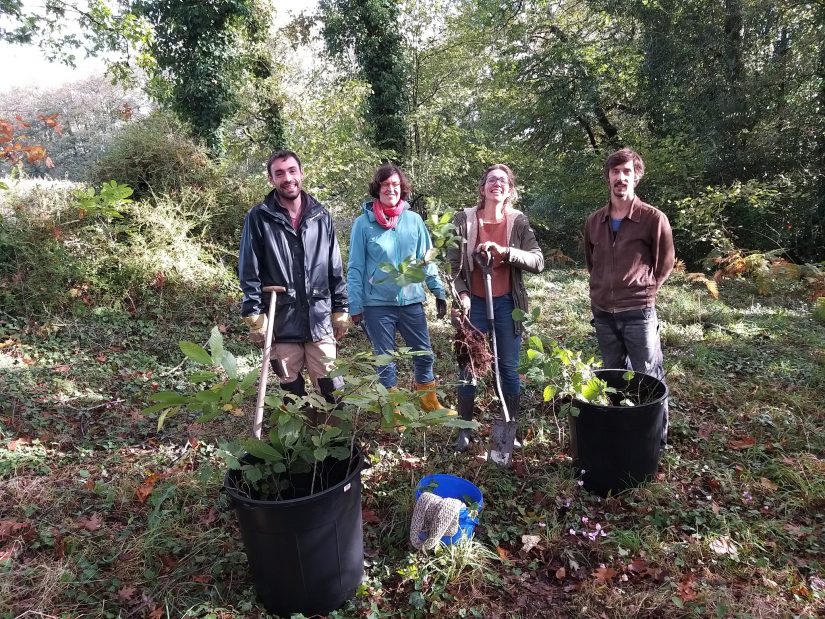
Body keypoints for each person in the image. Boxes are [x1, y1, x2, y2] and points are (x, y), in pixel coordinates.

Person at [238, 149, 349, 421]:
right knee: (290, 384)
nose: (287, 178)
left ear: (301, 173)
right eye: (279, 173)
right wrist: (254, 315)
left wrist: (341, 307)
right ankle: (299, 439)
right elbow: (249, 269)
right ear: (271, 179)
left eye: (291, 171)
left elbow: (334, 266)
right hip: (281, 317)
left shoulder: (321, 216)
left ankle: (337, 438)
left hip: (319, 315)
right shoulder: (259, 218)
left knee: (330, 382)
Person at [449, 164, 545, 451]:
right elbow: (454, 266)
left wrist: (508, 253)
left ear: (510, 190)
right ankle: (464, 430)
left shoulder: (518, 222)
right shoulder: (463, 220)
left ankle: (508, 428)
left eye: (503, 181)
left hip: (506, 304)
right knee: (469, 366)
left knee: (508, 369)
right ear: (482, 189)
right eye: (491, 180)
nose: (497, 184)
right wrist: (462, 294)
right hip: (473, 304)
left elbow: (538, 261)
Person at [584, 148, 675, 443]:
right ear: (607, 177)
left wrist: (645, 291)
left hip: (639, 313)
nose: (621, 178)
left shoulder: (653, 219)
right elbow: (591, 262)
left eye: (627, 172)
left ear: (636, 177)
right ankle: (621, 432)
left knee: (648, 374)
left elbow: (665, 263)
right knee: (612, 376)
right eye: (615, 172)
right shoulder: (594, 222)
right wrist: (602, 289)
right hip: (603, 312)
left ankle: (655, 437)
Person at [347, 164, 451, 421]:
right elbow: (355, 268)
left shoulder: (413, 220)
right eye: (385, 185)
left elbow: (426, 259)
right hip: (376, 305)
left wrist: (438, 291)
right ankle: (392, 412)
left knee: (424, 354)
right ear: (377, 189)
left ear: (402, 189)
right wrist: (355, 306)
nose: (390, 189)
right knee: (386, 361)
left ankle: (428, 401)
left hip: (411, 301)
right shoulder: (363, 224)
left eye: (395, 185)